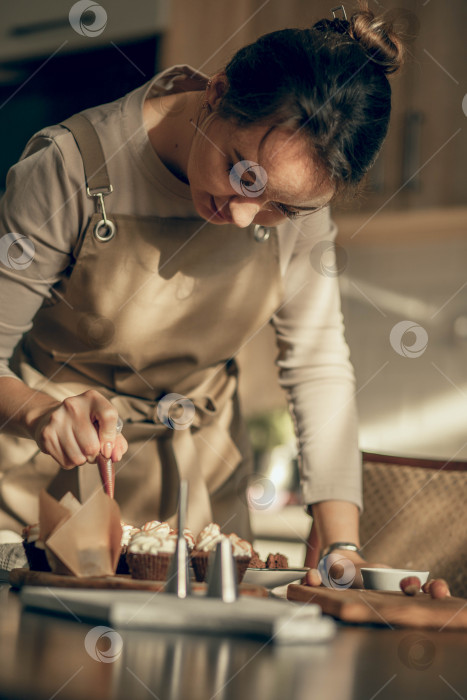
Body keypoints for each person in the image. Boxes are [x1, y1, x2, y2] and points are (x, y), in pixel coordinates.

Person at [0, 3, 404, 584]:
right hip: (45, 498)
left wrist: (340, 538)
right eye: (243, 175)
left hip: (203, 506)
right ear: (217, 93)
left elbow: (317, 363)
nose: (243, 217)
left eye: (280, 207)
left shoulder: (300, 197)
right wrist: (41, 414)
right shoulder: (70, 169)